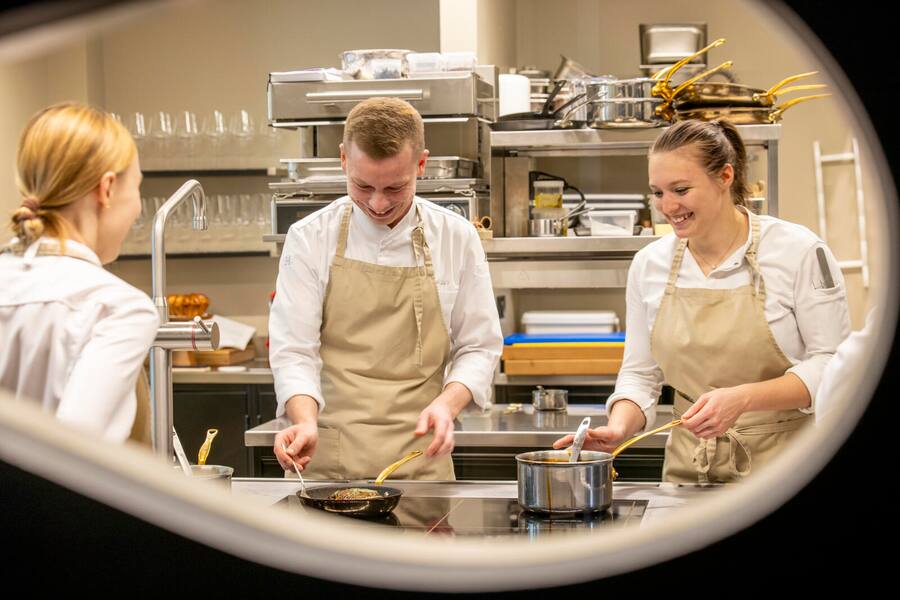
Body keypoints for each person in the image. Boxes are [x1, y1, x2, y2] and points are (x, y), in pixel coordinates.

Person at [554, 119, 851, 483]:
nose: (667, 206)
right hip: (689, 471)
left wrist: (743, 399)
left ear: (725, 177)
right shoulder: (650, 264)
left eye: (680, 189)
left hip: (787, 470)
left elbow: (832, 366)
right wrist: (619, 428)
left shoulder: (798, 251)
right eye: (657, 192)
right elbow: (640, 374)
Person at [269, 97, 502, 480]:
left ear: (421, 164)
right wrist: (304, 420)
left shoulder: (456, 237)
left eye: (396, 187)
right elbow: (293, 349)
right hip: (328, 461)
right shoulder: (309, 238)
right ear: (343, 159)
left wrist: (447, 405)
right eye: (362, 185)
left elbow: (479, 345)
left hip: (421, 460)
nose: (377, 204)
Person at [0, 102, 159, 444]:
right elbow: (77, 458)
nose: (136, 207)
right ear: (107, 189)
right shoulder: (118, 308)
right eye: (137, 188)